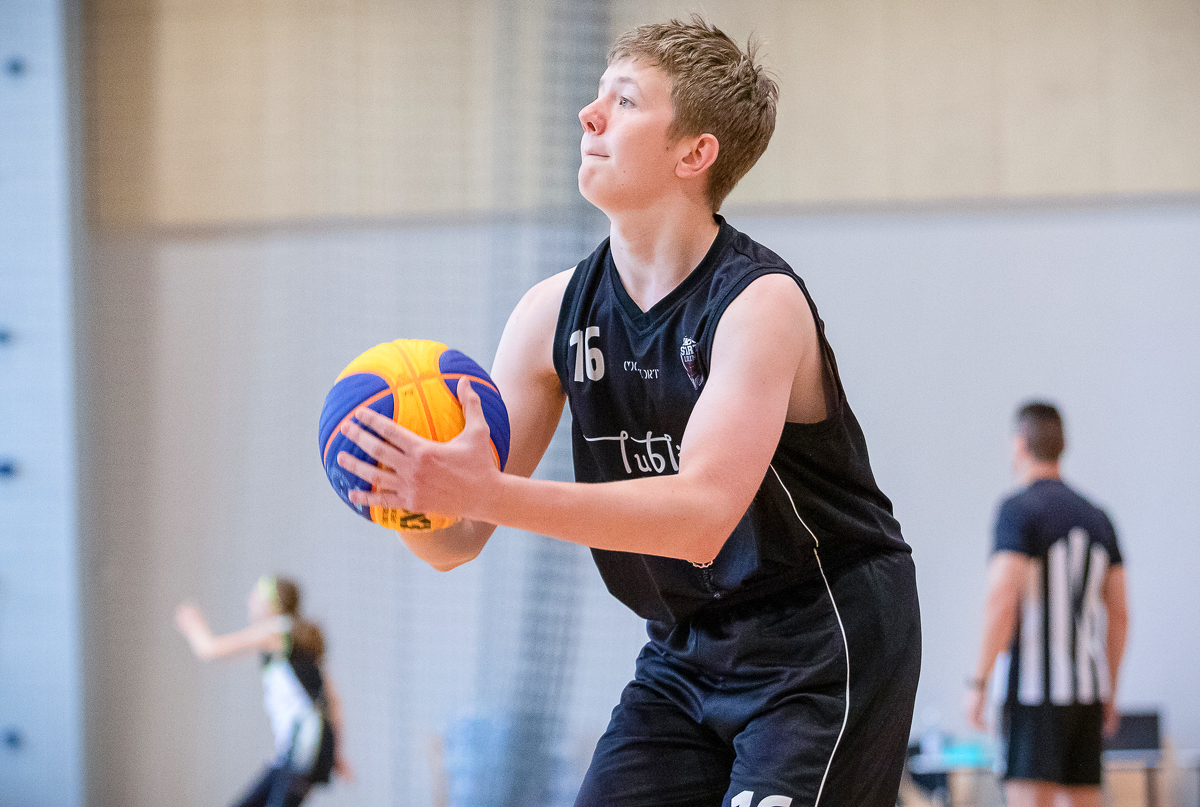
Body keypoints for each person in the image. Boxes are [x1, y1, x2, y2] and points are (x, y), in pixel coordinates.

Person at [338, 16, 920, 807]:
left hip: (820, 636)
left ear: (694, 153)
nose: (589, 114)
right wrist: (406, 490)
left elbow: (701, 516)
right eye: (597, 95)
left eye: (624, 100)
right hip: (685, 647)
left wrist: (483, 491)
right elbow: (459, 539)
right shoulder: (550, 314)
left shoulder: (759, 305)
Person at [965, 402, 1129, 807]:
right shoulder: (1098, 518)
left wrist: (978, 683)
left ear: (1020, 444)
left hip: (1033, 695)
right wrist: (1110, 691)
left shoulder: (1018, 510)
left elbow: (1001, 600)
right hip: (1086, 693)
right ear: (1062, 445)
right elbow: (1120, 614)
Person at [175, 575, 350, 807]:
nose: (249, 600)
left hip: (303, 747)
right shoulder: (295, 638)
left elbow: (211, 649)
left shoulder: (276, 630)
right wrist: (336, 752)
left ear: (272, 604)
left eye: (256, 595)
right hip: (301, 748)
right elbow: (333, 701)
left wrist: (193, 625)